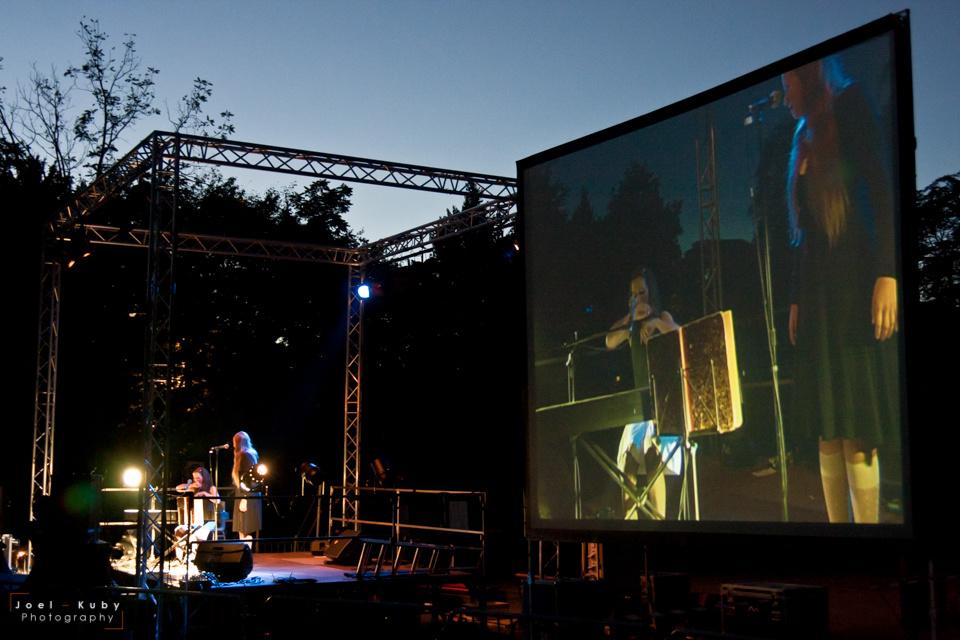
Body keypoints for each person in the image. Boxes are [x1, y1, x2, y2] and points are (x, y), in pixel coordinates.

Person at [782, 57, 899, 524]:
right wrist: (794, 298)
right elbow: (804, 234)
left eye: (787, 82)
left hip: (854, 286)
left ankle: (870, 537)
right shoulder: (802, 135)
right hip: (817, 297)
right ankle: (840, 534)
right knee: (827, 425)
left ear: (807, 78)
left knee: (855, 421)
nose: (784, 92)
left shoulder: (849, 105)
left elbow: (881, 185)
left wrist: (887, 274)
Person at [606, 268, 679, 519]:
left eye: (642, 291)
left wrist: (656, 323)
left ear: (651, 292)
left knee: (654, 461)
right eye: (634, 293)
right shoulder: (630, 324)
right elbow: (608, 341)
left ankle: (658, 524)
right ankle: (631, 525)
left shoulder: (662, 315)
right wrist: (631, 319)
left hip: (662, 403)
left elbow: (681, 336)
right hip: (638, 406)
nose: (639, 296)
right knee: (627, 466)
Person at [173, 466, 219, 560]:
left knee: (195, 534)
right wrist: (192, 485)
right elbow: (178, 488)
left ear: (204, 477)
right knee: (179, 531)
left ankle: (195, 558)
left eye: (198, 478)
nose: (196, 480)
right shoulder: (194, 487)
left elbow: (217, 501)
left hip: (208, 520)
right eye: (194, 478)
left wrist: (205, 494)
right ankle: (178, 559)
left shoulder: (211, 487)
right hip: (195, 520)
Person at [231, 431, 263, 542]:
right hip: (251, 492)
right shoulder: (252, 453)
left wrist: (244, 498)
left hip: (245, 493)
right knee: (245, 527)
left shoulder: (244, 455)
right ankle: (245, 552)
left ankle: (245, 553)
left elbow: (246, 478)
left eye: (234, 442)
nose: (233, 445)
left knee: (244, 526)